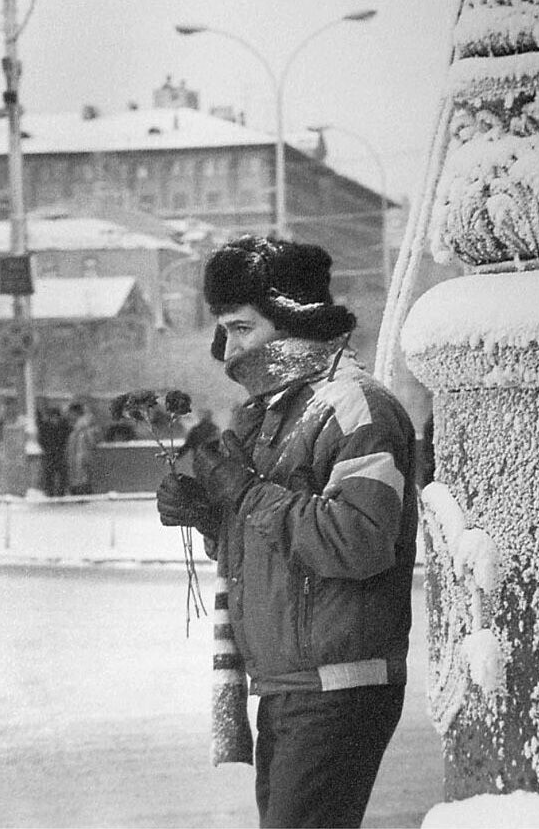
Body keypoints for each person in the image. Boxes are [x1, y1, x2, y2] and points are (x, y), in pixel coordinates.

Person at [157, 235, 418, 829]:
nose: (228, 347)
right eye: (223, 329)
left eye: (243, 327)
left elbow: (359, 540)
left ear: (292, 321)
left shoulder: (356, 408)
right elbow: (270, 549)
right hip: (287, 684)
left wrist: (245, 495)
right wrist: (208, 513)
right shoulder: (274, 414)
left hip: (339, 686)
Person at [37, 404, 71, 497]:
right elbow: (42, 440)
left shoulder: (63, 426)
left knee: (61, 474)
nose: (54, 419)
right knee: (50, 475)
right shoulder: (46, 426)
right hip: (51, 453)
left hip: (58, 453)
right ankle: (51, 493)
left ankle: (60, 493)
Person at [66, 401, 98, 495]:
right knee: (80, 476)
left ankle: (82, 494)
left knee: (82, 476)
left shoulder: (83, 427)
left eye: (71, 413)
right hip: (78, 456)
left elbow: (90, 442)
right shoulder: (77, 427)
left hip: (81, 456)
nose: (70, 416)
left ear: (76, 413)